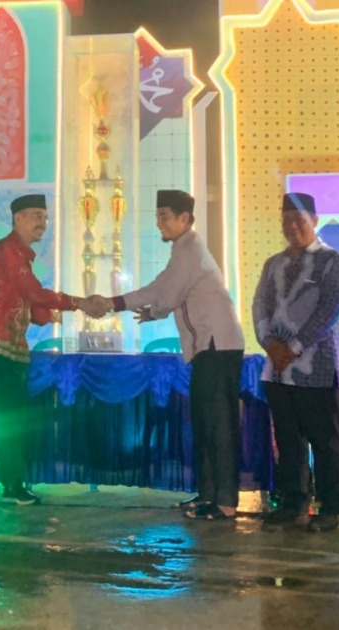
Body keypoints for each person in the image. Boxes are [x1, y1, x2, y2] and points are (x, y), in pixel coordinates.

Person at [91, 190, 245, 520]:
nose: (159, 223)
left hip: (218, 346)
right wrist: (115, 303)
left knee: (219, 426)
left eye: (164, 216)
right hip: (206, 348)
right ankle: (208, 494)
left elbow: (168, 295)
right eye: (158, 216)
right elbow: (159, 286)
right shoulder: (182, 251)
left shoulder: (191, 249)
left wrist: (153, 311)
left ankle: (226, 502)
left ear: (184, 218)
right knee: (204, 424)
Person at [0, 193, 93, 509]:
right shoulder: (6, 250)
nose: (41, 223)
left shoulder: (23, 257)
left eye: (44, 217)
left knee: (12, 420)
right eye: (35, 216)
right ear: (17, 218)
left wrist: (49, 312)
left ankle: (13, 484)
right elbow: (32, 291)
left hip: (11, 350)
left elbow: (31, 303)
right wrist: (78, 303)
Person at [253, 192, 339, 532]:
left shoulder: (333, 262)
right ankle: (293, 503)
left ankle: (330, 508)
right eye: (287, 220)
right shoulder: (273, 264)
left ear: (315, 221)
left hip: (316, 369)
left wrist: (292, 348)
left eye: (300, 220)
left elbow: (329, 311)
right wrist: (269, 344)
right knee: (289, 440)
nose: (292, 226)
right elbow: (259, 307)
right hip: (278, 372)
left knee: (325, 442)